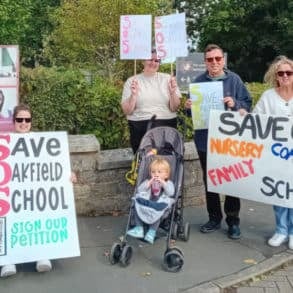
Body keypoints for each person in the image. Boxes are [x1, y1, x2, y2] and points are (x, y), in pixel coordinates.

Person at [0, 103, 77, 277]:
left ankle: (42, 255)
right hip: (13, 194)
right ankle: (7, 261)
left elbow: (54, 165)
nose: (24, 123)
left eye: (27, 119)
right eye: (20, 119)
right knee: (7, 217)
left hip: (34, 194)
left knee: (40, 215)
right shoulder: (5, 143)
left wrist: (67, 174)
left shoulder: (41, 140)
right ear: (14, 121)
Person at [185, 44, 252, 239]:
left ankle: (233, 221)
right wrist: (188, 107)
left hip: (228, 141)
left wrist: (236, 104)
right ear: (205, 62)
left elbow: (247, 104)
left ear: (223, 60)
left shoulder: (234, 80)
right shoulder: (198, 82)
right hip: (205, 141)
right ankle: (214, 218)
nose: (214, 62)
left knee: (231, 180)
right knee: (210, 181)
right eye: (210, 59)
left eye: (217, 59)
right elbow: (192, 114)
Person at [253, 56, 293, 248]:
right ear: (276, 76)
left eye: (288, 72)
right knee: (279, 192)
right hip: (276, 154)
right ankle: (281, 230)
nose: (285, 76)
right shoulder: (268, 96)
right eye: (281, 73)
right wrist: (244, 117)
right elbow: (255, 120)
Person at [121, 49, 182, 153]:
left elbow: (174, 108)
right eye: (150, 59)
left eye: (157, 60)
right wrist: (133, 96)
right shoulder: (132, 81)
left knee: (166, 163)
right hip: (140, 126)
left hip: (166, 125)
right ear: (143, 61)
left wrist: (172, 93)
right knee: (144, 162)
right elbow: (127, 111)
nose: (153, 63)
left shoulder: (168, 79)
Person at [127, 157, 175, 244]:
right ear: (150, 173)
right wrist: (149, 183)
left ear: (166, 175)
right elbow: (140, 190)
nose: (156, 174)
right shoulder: (148, 181)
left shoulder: (168, 183)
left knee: (158, 213)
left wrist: (163, 183)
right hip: (147, 203)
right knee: (136, 203)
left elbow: (171, 193)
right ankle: (139, 228)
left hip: (159, 204)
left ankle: (152, 232)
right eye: (153, 172)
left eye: (159, 172)